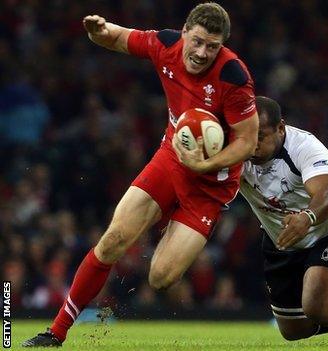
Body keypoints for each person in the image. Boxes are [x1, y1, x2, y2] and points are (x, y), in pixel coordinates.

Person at [23, 2, 259, 347]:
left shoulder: (232, 76)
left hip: (212, 185)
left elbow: (248, 141)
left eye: (213, 46)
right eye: (197, 41)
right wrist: (97, 31)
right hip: (171, 159)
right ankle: (55, 332)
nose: (202, 52)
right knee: (114, 239)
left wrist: (205, 164)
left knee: (161, 278)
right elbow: (117, 38)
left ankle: (174, 223)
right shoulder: (165, 45)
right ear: (184, 32)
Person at [180, 95, 328, 344]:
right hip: (282, 238)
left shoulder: (305, 146)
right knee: (293, 331)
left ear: (281, 128)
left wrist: (307, 216)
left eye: (261, 136)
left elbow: (327, 193)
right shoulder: (235, 149)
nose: (253, 145)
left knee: (317, 309)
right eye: (248, 135)